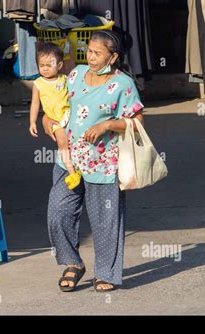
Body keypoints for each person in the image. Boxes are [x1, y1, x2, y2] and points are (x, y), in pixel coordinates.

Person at [42, 30, 145, 292]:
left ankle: (106, 273)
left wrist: (108, 124)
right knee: (58, 212)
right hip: (69, 161)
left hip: (104, 164)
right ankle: (73, 263)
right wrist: (52, 127)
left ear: (113, 57)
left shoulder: (123, 85)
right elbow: (51, 112)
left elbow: (138, 121)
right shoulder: (74, 75)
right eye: (89, 50)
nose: (91, 56)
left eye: (97, 53)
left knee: (105, 220)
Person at [29, 42, 82, 190]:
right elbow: (35, 104)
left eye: (48, 65)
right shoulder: (38, 83)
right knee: (62, 143)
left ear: (59, 66)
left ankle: (79, 166)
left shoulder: (64, 79)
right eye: (41, 65)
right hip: (56, 121)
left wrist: (69, 49)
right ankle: (72, 173)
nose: (44, 68)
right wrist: (32, 122)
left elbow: (72, 70)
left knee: (74, 142)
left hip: (71, 116)